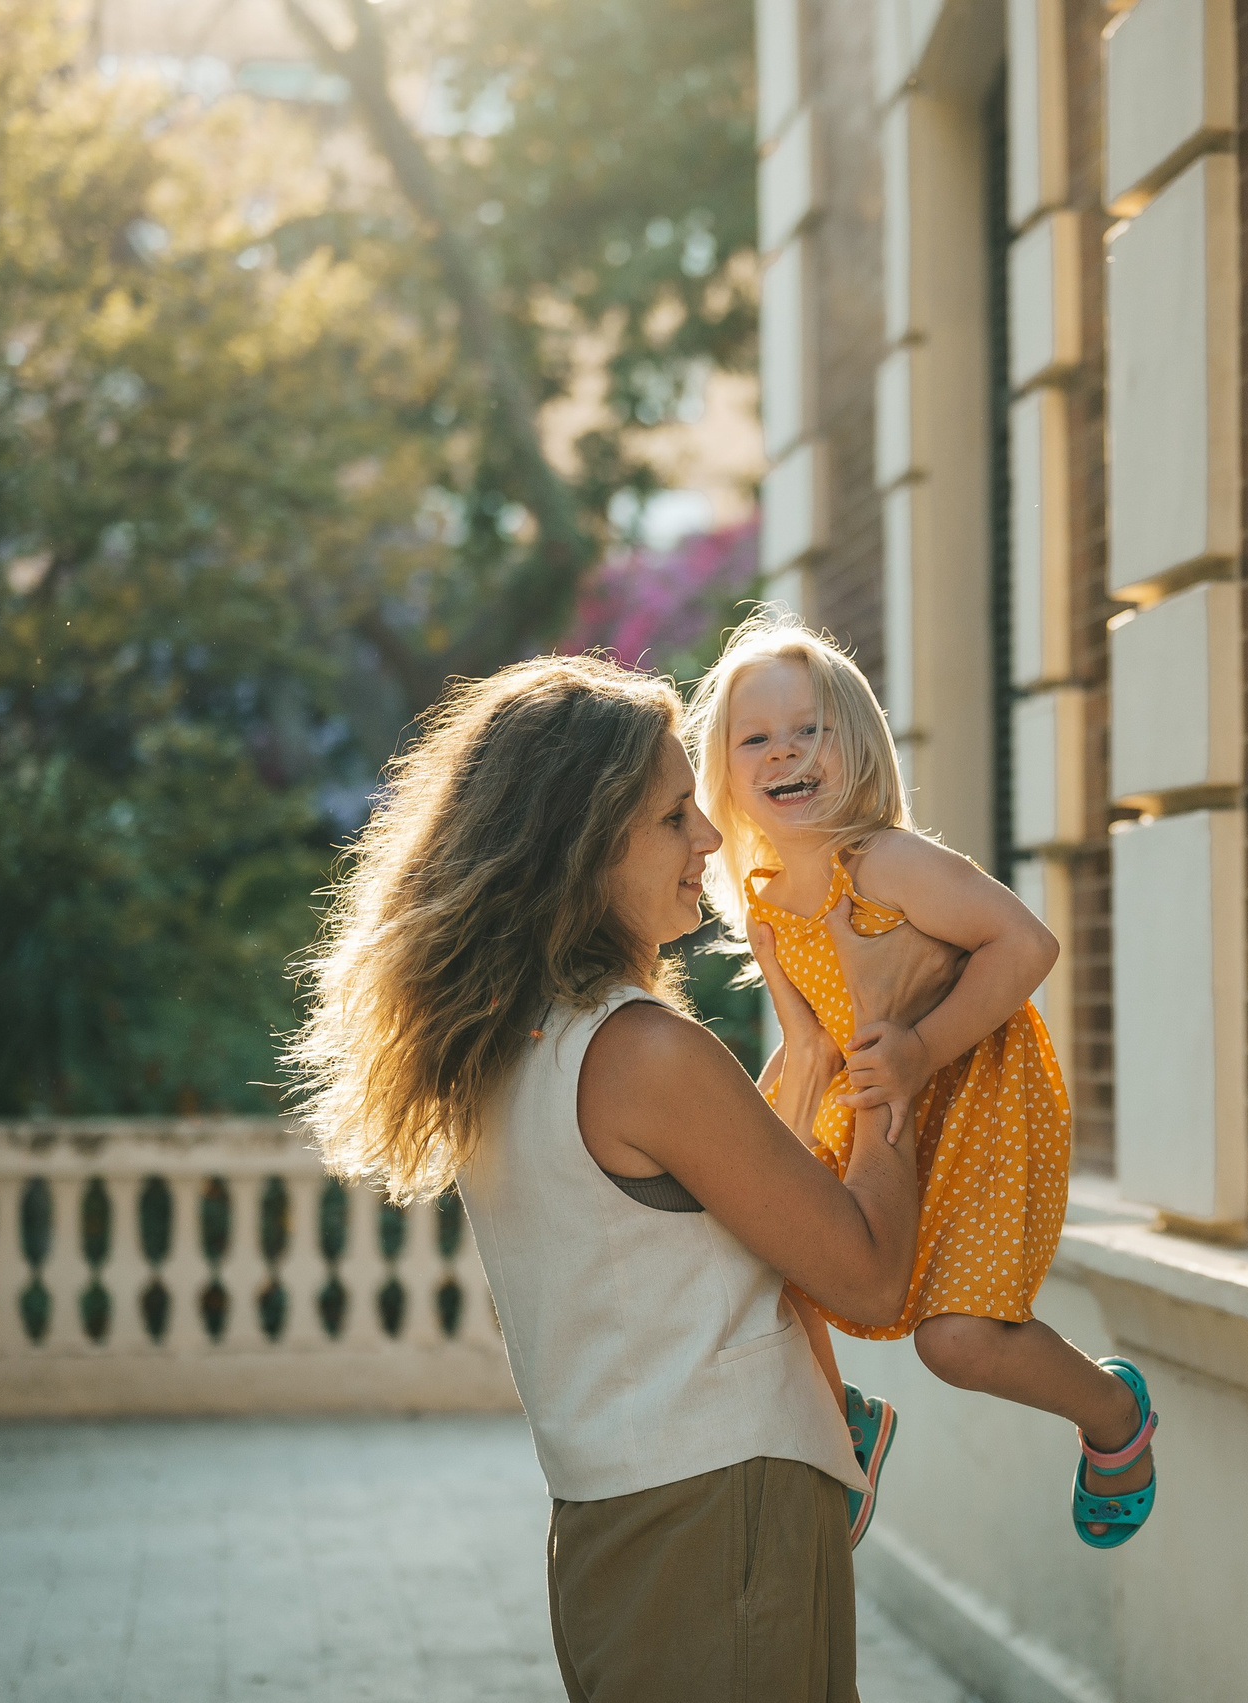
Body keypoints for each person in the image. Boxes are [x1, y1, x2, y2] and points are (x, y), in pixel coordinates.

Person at [284, 653, 961, 1702]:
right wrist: (892, 1045)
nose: (707, 837)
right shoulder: (644, 1054)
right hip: (718, 1516)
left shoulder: (507, 1043)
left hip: (610, 1520)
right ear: (581, 848)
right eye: (670, 816)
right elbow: (868, 1276)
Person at [683, 613, 1160, 1550]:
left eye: (807, 728)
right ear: (727, 774)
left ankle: (1114, 1414)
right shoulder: (772, 899)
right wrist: (756, 1137)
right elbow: (807, 1043)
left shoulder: (886, 862)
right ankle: (843, 1417)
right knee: (766, 1251)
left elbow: (1027, 944)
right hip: (871, 1096)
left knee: (959, 1343)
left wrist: (922, 1049)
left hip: (975, 1093)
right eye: (756, 738)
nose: (784, 751)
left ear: (854, 742)